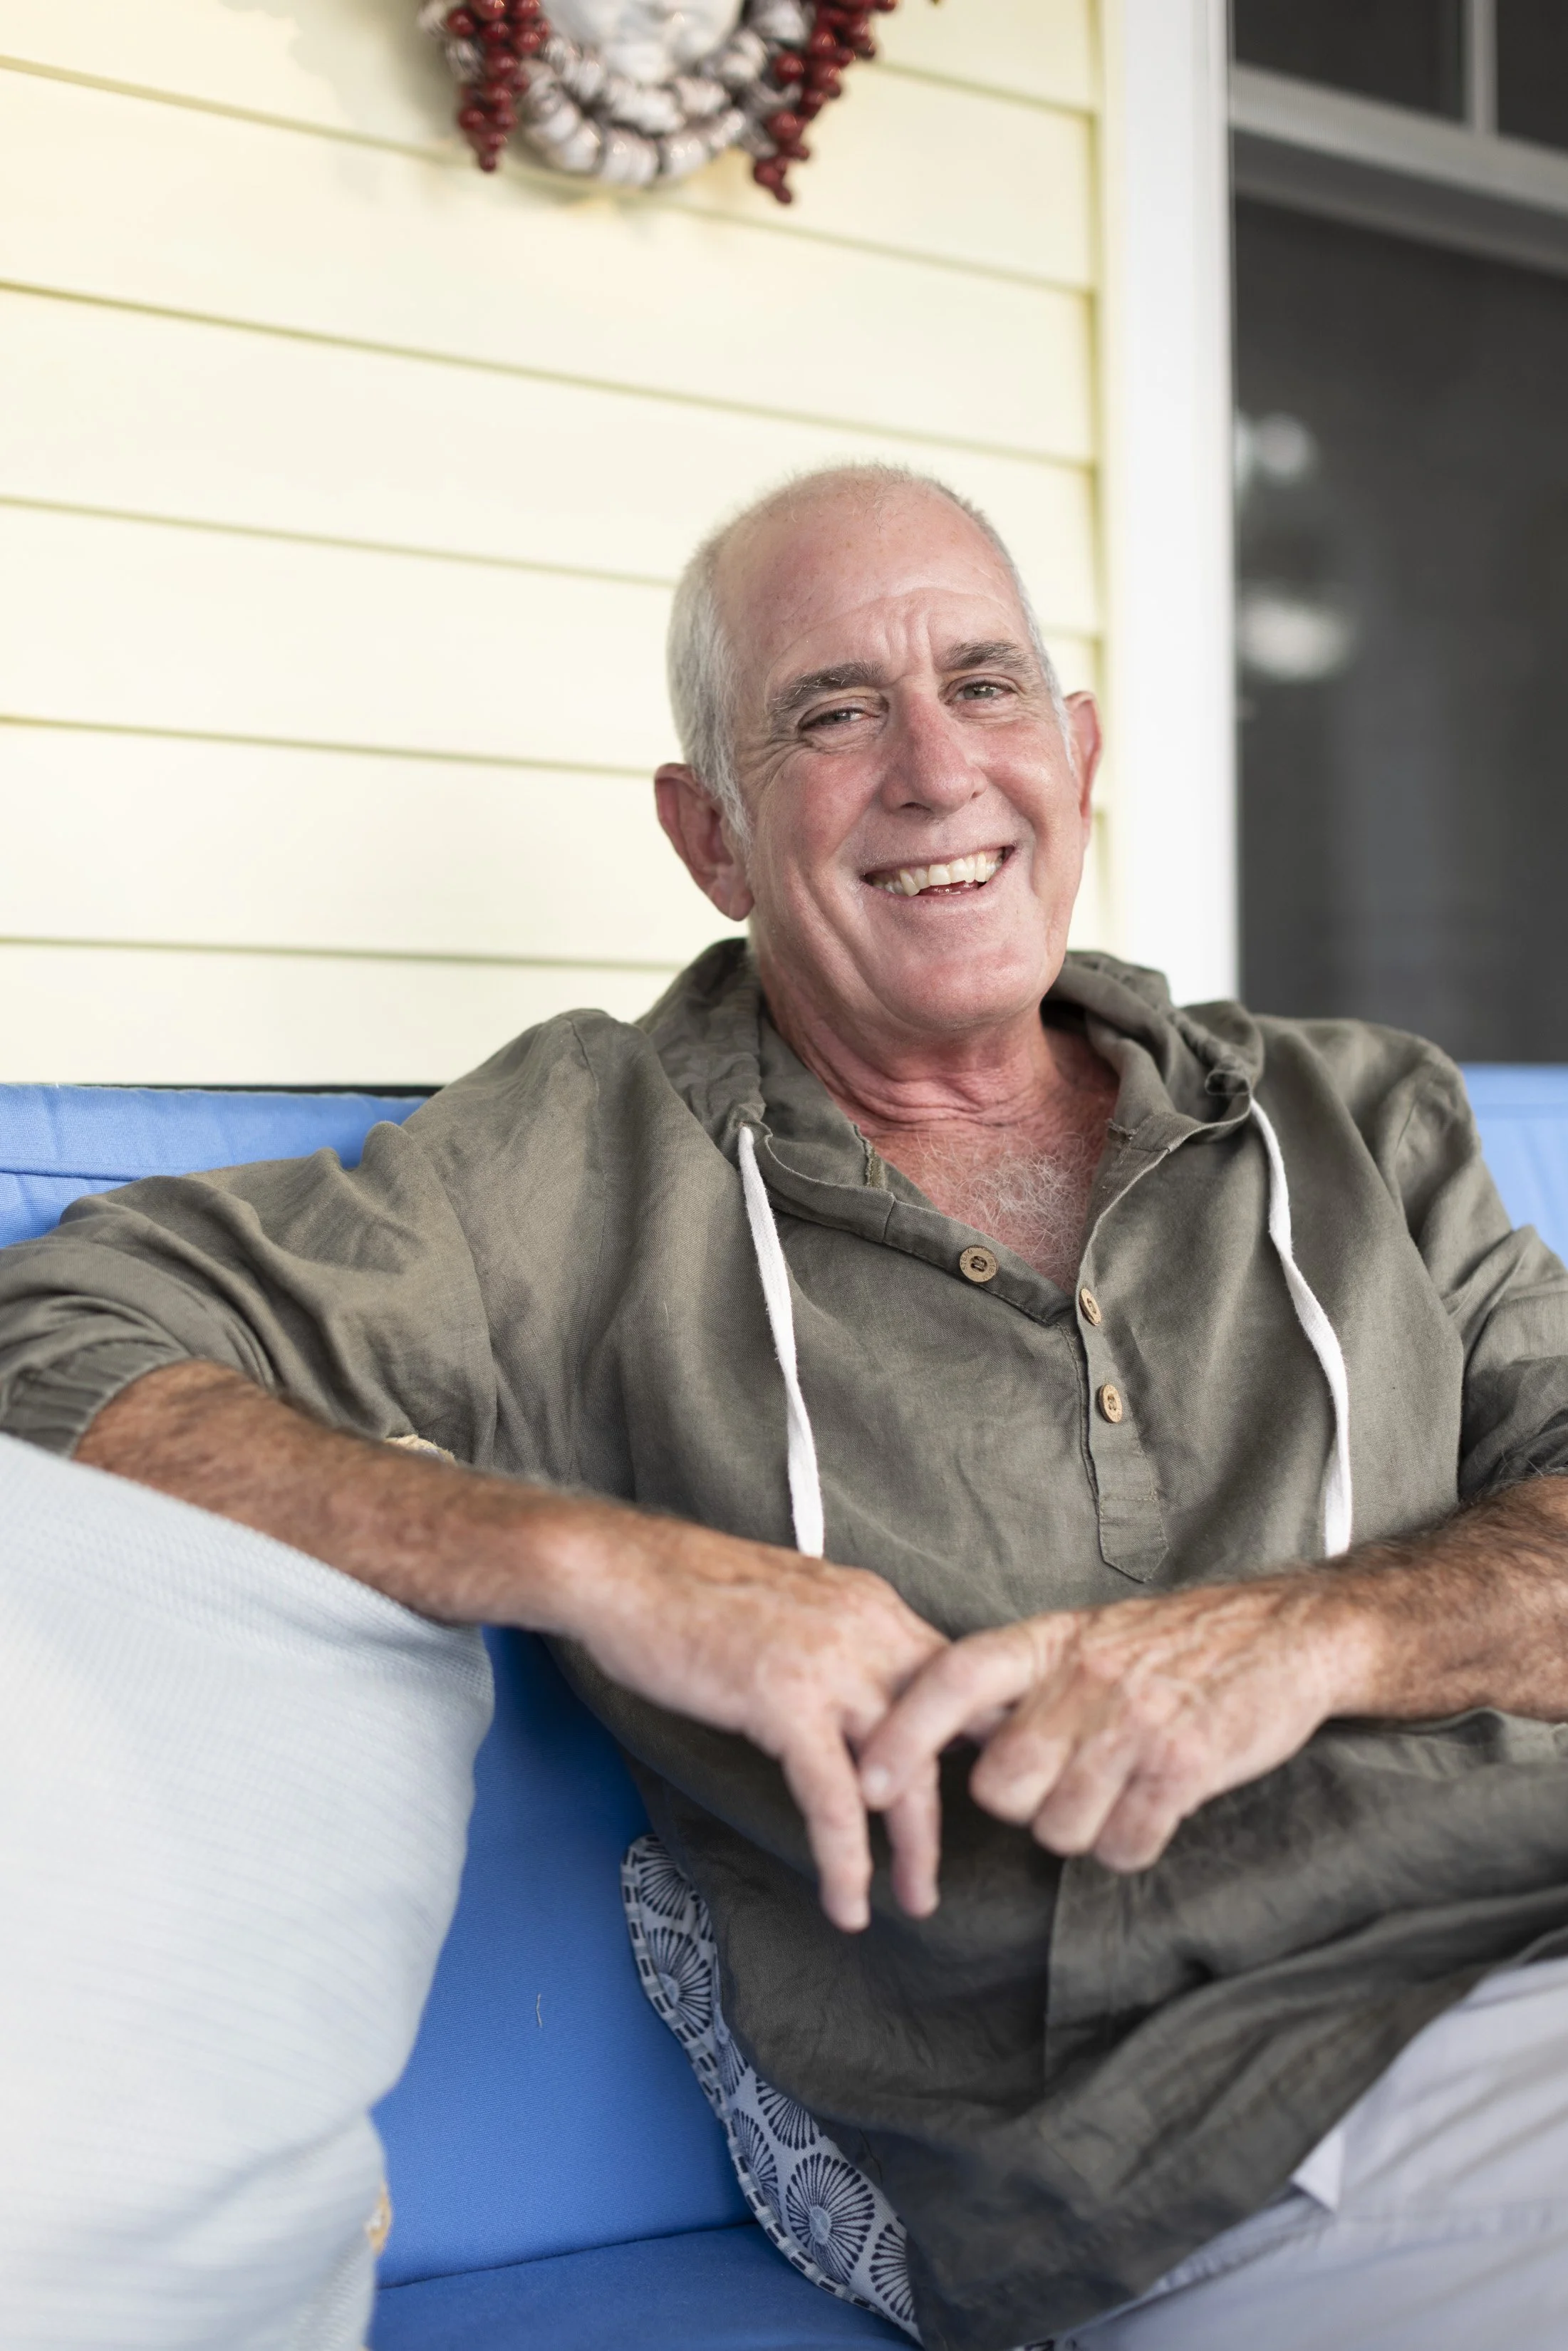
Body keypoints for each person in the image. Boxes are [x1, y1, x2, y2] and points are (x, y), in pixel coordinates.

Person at [6, 462, 1568, 2350]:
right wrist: (597, 1561)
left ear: (1075, 752)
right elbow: (58, 1336)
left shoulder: (1352, 1114)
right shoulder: (591, 1158)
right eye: (833, 713)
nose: (936, 766)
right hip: (1225, 2133)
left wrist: (1313, 1638)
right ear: (713, 837)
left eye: (986, 685)